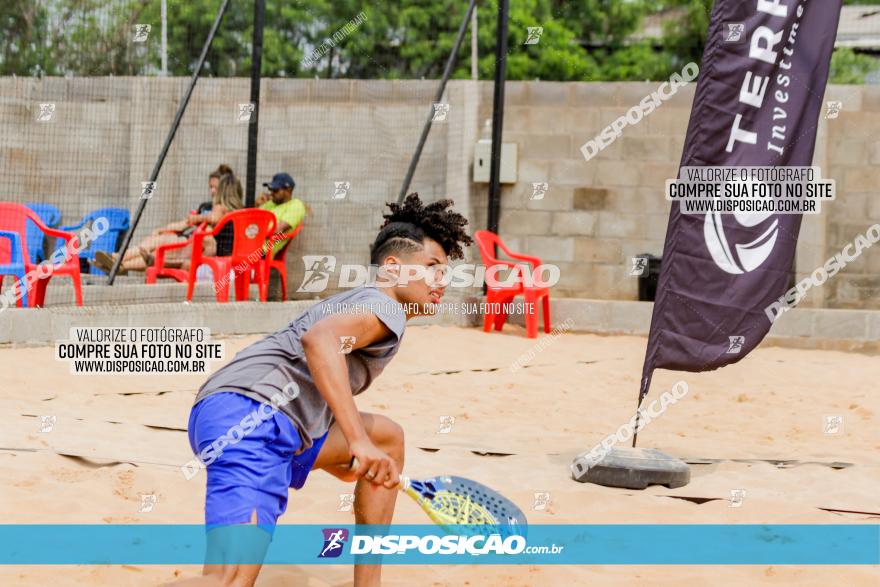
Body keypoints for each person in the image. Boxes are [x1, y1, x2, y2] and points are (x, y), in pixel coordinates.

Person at [169, 194, 472, 587]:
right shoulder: (385, 307)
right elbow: (319, 341)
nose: (441, 280)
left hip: (270, 421)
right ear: (393, 268)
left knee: (388, 439)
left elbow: (317, 371)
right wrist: (357, 442)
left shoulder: (367, 304)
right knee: (226, 579)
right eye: (432, 267)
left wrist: (352, 453)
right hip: (250, 417)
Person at [92, 166, 241, 274]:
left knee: (158, 248)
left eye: (215, 187)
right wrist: (162, 229)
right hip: (190, 242)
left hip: (193, 247)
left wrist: (198, 217)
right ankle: (118, 263)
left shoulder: (223, 210)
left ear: (223, 190)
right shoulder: (211, 207)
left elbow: (213, 218)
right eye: (210, 187)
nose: (212, 191)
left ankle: (117, 261)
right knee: (157, 242)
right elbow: (184, 223)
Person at [256, 172, 305, 258]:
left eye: (276, 190)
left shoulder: (296, 205)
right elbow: (249, 221)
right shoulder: (270, 204)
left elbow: (277, 230)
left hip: (262, 251)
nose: (272, 193)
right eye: (271, 190)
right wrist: (256, 205)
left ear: (288, 190)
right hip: (250, 242)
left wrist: (252, 232)